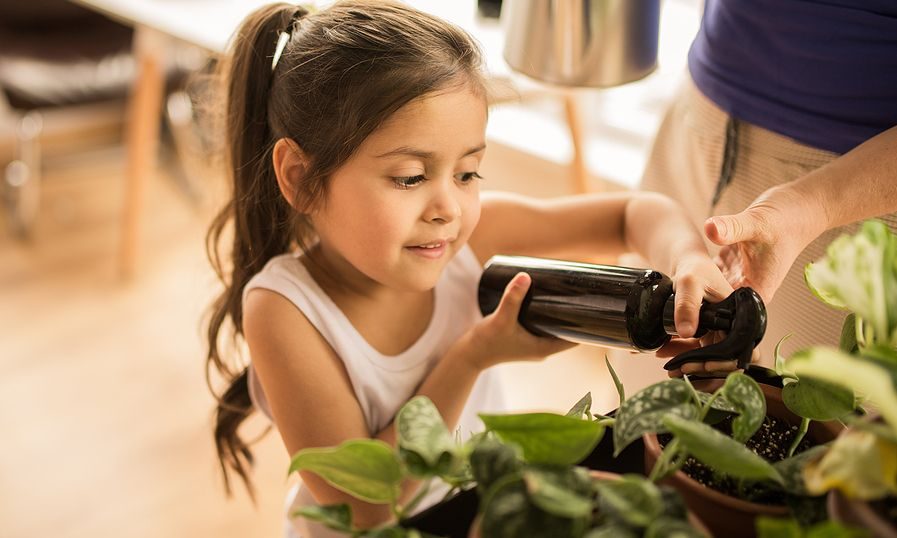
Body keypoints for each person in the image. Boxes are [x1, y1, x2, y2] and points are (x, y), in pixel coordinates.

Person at [204, 2, 732, 536]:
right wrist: (471, 357)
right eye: (410, 176)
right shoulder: (283, 310)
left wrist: (686, 258)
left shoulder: (469, 239)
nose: (448, 209)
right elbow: (370, 503)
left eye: (467, 172)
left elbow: (631, 213)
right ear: (299, 175)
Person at [643, 0, 897, 374]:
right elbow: (629, 219)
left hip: (853, 196)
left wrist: (813, 206)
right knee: (644, 402)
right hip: (696, 123)